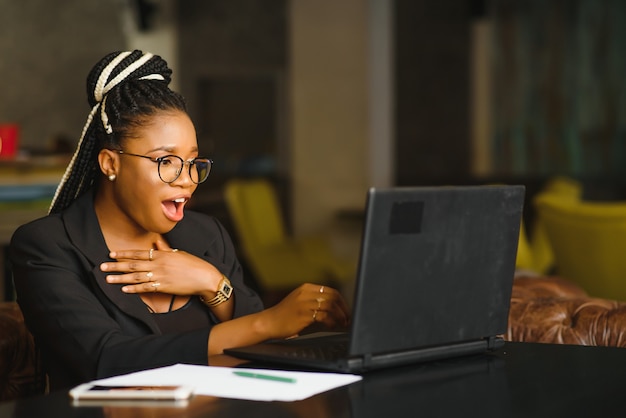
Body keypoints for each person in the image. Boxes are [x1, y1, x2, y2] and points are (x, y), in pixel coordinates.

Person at [9, 50, 350, 391]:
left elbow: (258, 354)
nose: (186, 179)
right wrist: (267, 324)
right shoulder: (47, 246)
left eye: (192, 162)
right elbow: (106, 360)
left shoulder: (205, 234)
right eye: (166, 161)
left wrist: (213, 283)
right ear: (110, 163)